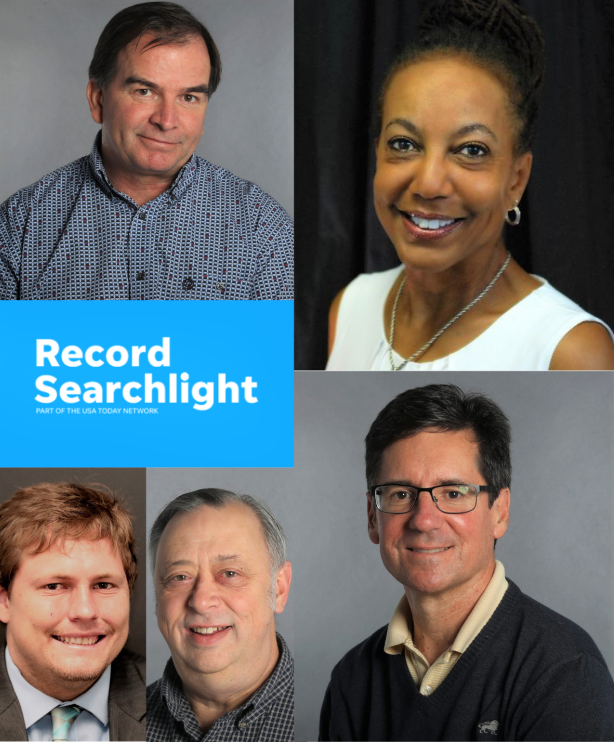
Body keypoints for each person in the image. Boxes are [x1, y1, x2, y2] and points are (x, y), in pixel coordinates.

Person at [327, 0, 614, 370]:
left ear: (517, 179)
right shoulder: (351, 306)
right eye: (403, 144)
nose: (429, 183)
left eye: (471, 150)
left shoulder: (571, 353)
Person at [319, 384, 614, 740]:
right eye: (400, 494)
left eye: (454, 493)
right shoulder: (352, 679)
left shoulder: (564, 673)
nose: (424, 520)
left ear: (500, 512)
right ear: (372, 517)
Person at [0, 1, 293, 300]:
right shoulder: (18, 226)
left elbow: (276, 358)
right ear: (98, 99)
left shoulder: (262, 226)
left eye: (189, 98)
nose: (167, 121)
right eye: (145, 91)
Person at [0, 483, 146, 741]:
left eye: (103, 585)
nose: (85, 610)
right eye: (55, 586)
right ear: (2, 598)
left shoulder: (174, 704)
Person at [147, 488, 294, 741]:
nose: (201, 602)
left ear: (279, 589)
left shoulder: (329, 711)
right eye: (180, 577)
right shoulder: (124, 720)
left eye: (229, 573)